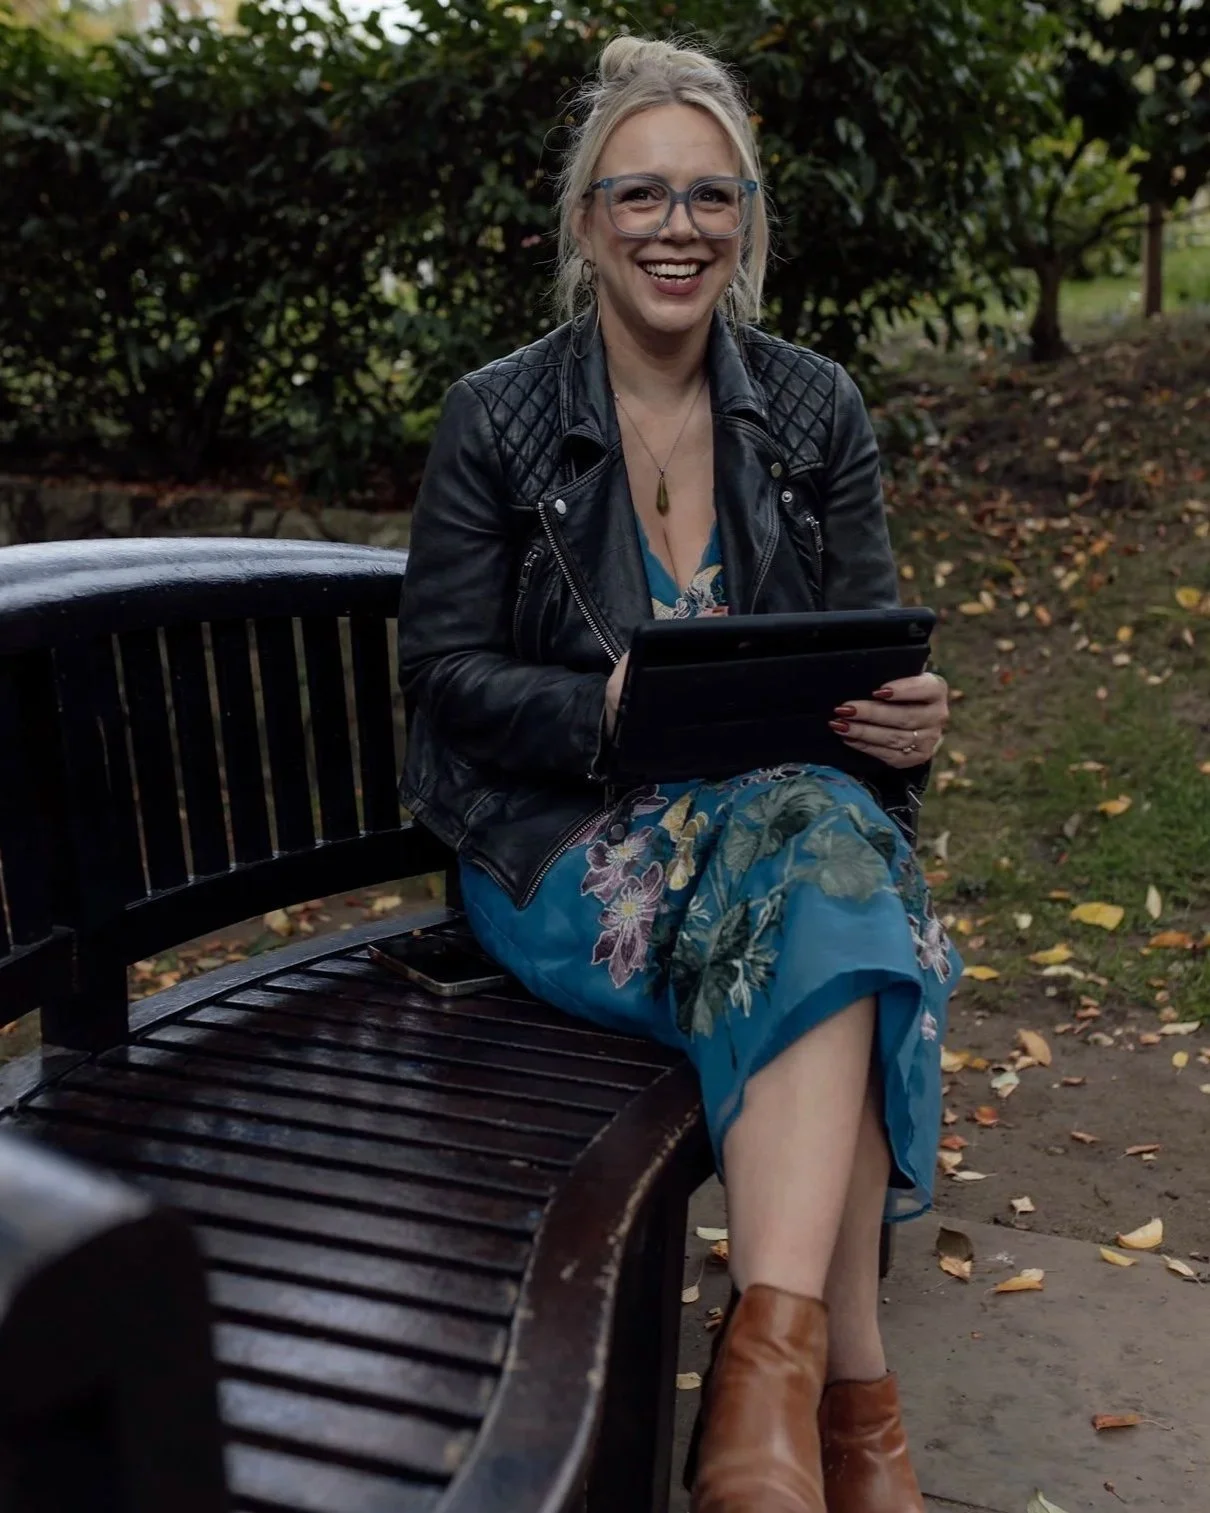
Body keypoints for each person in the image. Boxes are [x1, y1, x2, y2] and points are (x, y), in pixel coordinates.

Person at [398, 34, 959, 1513]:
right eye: (640, 194)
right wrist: (609, 702)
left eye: (712, 198)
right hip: (569, 850)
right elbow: (441, 678)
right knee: (840, 900)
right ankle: (849, 1393)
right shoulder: (497, 418)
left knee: (821, 859)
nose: (676, 226)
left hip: (785, 831)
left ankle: (770, 1402)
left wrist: (904, 720)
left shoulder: (813, 409)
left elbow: (862, 652)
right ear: (586, 222)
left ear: (747, 226)